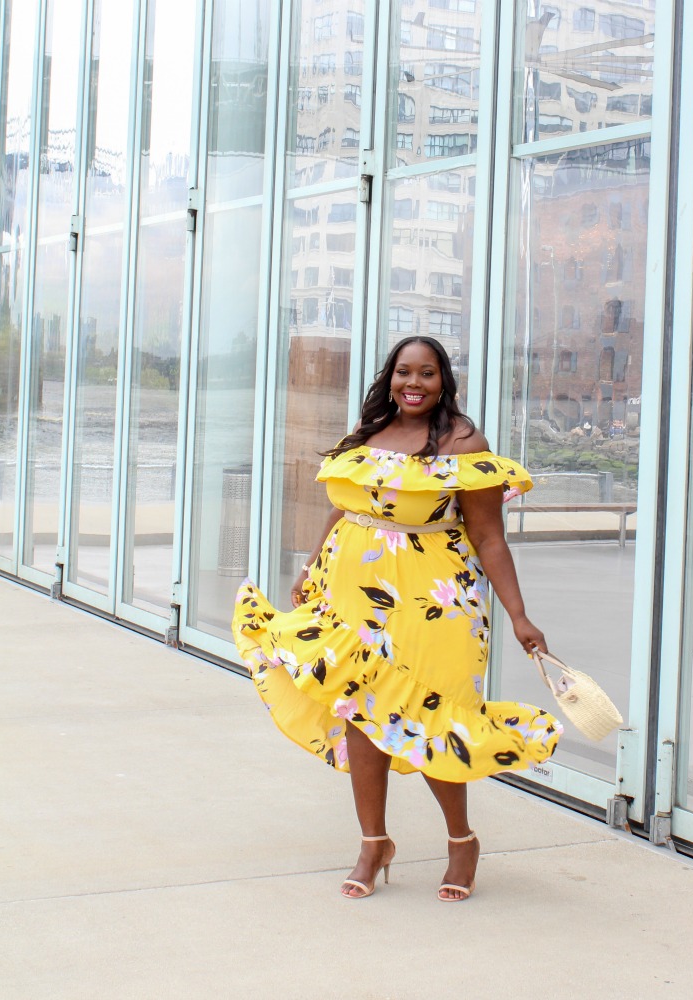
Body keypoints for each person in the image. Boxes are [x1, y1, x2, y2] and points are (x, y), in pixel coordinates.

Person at [233, 336, 561, 902]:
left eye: (427, 373)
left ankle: (462, 842)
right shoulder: (368, 436)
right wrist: (312, 565)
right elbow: (344, 509)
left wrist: (519, 614)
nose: (414, 383)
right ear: (390, 378)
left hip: (435, 601)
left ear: (443, 381)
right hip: (353, 596)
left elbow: (488, 536)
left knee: (431, 717)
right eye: (404, 372)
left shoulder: (463, 442)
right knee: (361, 712)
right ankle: (373, 842)